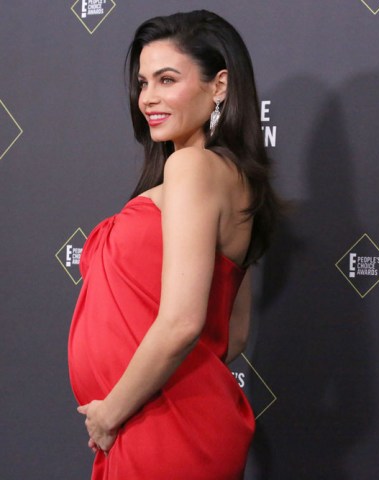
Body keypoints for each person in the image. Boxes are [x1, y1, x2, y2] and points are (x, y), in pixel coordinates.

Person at [68, 9, 280, 480]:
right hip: (167, 416)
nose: (148, 98)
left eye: (167, 79)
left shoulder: (192, 167)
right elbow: (235, 332)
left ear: (219, 85)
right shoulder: (237, 180)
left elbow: (184, 321)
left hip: (154, 422)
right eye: (143, 82)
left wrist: (112, 411)